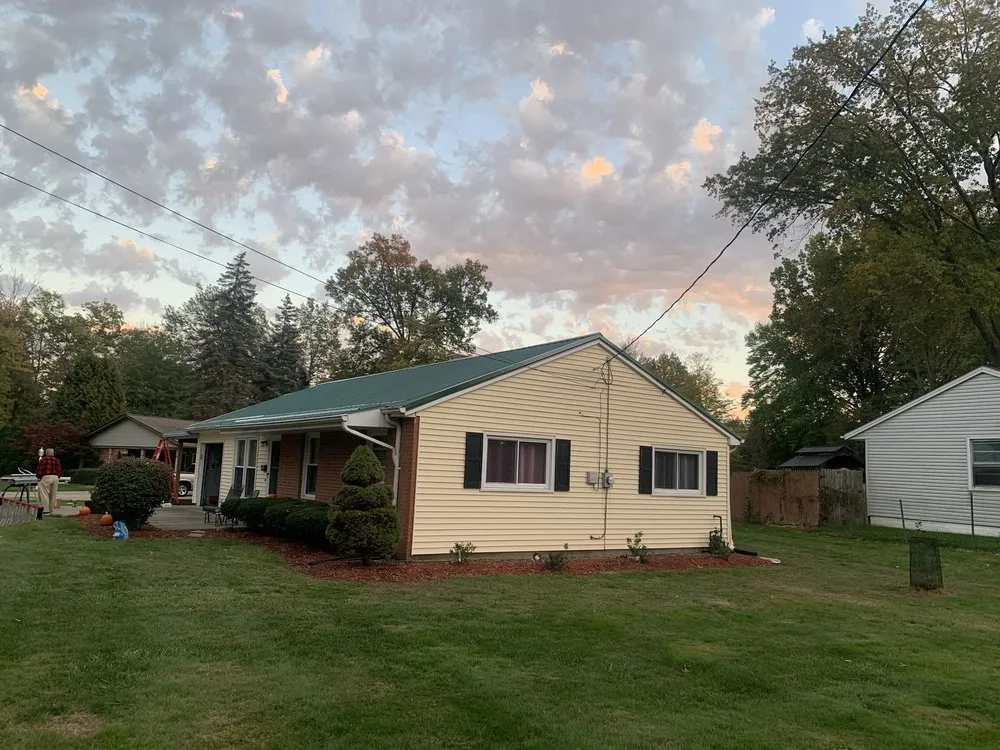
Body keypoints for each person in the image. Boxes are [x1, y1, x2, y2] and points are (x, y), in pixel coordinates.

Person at [36, 448, 62, 514]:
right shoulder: (57, 460)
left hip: (46, 476)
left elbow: (40, 469)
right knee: (53, 494)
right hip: (55, 477)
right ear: (53, 453)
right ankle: (51, 510)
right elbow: (59, 470)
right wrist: (58, 476)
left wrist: (38, 477)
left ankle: (45, 510)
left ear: (46, 453)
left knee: (44, 493)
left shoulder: (43, 460)